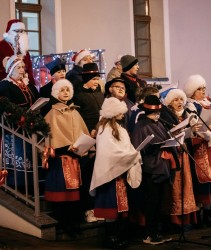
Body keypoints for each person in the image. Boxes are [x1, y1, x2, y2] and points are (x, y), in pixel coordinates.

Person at [89, 97, 142, 249]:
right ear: (112, 113)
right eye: (119, 112)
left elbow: (124, 147)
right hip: (109, 173)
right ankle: (110, 237)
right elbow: (110, 152)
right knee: (110, 205)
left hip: (119, 172)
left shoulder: (119, 128)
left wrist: (131, 154)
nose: (123, 115)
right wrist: (130, 155)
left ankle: (117, 235)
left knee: (119, 205)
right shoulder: (104, 129)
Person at [43, 79, 91, 237]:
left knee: (75, 198)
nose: (65, 92)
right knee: (62, 197)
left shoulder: (75, 112)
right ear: (56, 93)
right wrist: (65, 146)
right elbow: (51, 137)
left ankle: (74, 224)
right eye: (62, 90)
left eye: (68, 89)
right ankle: (64, 225)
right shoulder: (53, 113)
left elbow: (82, 132)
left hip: (75, 159)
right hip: (61, 159)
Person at [183, 74, 211, 229]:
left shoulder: (208, 103)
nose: (202, 91)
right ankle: (200, 217)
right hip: (201, 147)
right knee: (204, 181)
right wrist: (210, 137)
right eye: (199, 89)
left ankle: (209, 215)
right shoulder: (190, 106)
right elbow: (196, 124)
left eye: (204, 88)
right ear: (192, 91)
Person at [131, 95, 174, 245]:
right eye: (154, 113)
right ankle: (149, 233)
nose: (157, 115)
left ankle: (156, 231)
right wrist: (154, 146)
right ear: (146, 112)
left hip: (161, 166)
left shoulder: (160, 123)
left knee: (159, 203)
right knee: (151, 202)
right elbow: (137, 148)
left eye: (158, 113)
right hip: (150, 168)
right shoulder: (141, 126)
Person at [0, 54, 39, 189]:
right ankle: (19, 186)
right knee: (20, 156)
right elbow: (5, 105)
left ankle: (31, 186)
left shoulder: (29, 85)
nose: (22, 70)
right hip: (15, 127)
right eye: (19, 67)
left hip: (31, 125)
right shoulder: (5, 85)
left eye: (23, 67)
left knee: (31, 156)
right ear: (11, 69)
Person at [163, 88, 200, 227]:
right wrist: (187, 131)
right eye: (176, 100)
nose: (179, 102)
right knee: (175, 186)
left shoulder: (186, 115)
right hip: (173, 154)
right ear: (170, 102)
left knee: (186, 184)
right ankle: (174, 220)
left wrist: (193, 131)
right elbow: (168, 134)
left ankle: (186, 218)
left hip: (184, 153)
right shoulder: (166, 115)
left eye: (181, 99)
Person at [73, 62, 105, 223]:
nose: (96, 81)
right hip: (87, 139)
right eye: (94, 78)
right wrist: (89, 132)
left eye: (97, 78)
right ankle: (87, 209)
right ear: (86, 79)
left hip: (101, 138)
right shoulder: (78, 95)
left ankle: (98, 207)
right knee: (87, 176)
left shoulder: (100, 94)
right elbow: (77, 119)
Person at [0, 19, 35, 85]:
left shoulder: (24, 48)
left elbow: (29, 69)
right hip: (6, 83)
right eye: (17, 31)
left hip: (24, 83)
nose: (19, 34)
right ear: (9, 32)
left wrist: (32, 84)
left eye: (22, 31)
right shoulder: (1, 46)